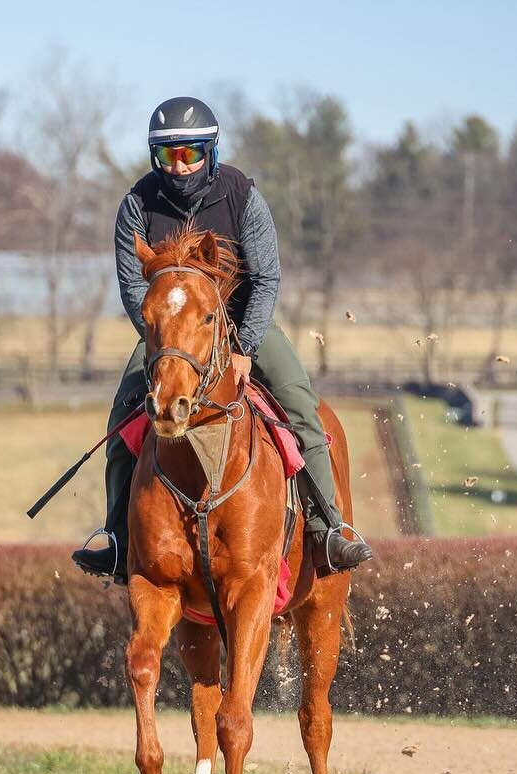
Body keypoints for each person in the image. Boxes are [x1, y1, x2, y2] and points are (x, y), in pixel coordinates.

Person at [72, 96, 374, 583]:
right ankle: (116, 539)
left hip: (241, 323)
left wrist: (244, 349)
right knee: (123, 417)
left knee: (300, 404)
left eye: (189, 154)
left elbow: (267, 278)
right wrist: (164, 339)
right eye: (166, 156)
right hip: (172, 334)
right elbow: (133, 288)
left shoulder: (241, 196)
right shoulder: (135, 206)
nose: (177, 167)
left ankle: (328, 529)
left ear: (210, 152)